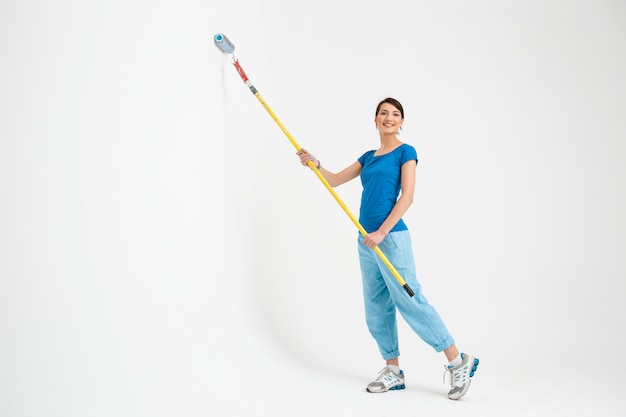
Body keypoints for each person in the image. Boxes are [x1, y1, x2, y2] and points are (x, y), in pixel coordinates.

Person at [296, 97, 479, 400]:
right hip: (366, 240)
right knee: (376, 307)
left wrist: (382, 232)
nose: (389, 118)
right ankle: (393, 370)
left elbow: (407, 197)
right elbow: (334, 180)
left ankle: (458, 361)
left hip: (390, 238)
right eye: (383, 113)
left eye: (395, 114)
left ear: (401, 122)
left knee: (411, 301)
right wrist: (315, 164)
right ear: (375, 119)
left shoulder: (406, 152)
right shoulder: (368, 157)